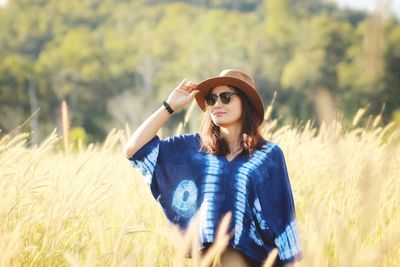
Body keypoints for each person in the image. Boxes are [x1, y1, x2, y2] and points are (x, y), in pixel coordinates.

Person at [124, 69, 302, 266]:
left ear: (246, 102)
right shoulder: (192, 148)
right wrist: (170, 106)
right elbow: (134, 149)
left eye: (226, 97)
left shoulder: (268, 155)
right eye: (211, 99)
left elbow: (282, 217)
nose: (217, 104)